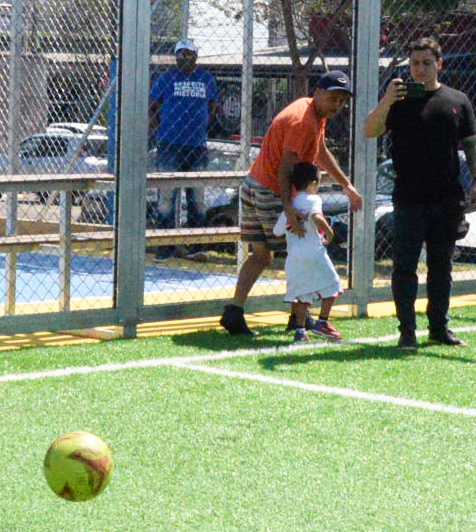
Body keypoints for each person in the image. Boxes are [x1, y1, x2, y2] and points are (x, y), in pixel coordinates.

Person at [363, 35, 476, 349]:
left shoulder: (457, 100)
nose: (419, 69)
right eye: (415, 64)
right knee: (404, 266)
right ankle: (407, 331)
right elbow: (369, 130)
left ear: (439, 65)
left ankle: (439, 328)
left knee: (441, 267)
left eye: (426, 63)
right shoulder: (397, 100)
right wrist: (388, 99)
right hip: (408, 198)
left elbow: (472, 141)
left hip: (447, 199)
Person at [223, 74, 356, 336]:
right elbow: (285, 169)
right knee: (301, 252)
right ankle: (299, 319)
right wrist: (288, 208)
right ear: (317, 92)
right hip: (271, 188)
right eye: (332, 97)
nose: (337, 104)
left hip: (254, 182)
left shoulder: (314, 114)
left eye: (341, 100)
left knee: (262, 255)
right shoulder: (303, 121)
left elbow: (320, 150)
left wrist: (346, 184)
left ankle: (234, 312)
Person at [148, 40, 217, 228]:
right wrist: (159, 126)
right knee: (166, 196)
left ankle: (195, 246)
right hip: (169, 144)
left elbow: (212, 106)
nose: (183, 57)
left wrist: (201, 124)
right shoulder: (167, 78)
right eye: (179, 54)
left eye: (187, 53)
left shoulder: (206, 78)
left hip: (197, 145)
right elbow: (151, 104)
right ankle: (165, 245)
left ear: (195, 57)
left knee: (197, 196)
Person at [282, 160, 343, 344]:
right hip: (315, 252)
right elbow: (317, 217)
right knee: (333, 285)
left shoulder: (291, 205)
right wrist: (329, 232)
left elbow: (277, 230)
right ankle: (322, 322)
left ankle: (300, 331)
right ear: (312, 184)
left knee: (301, 293)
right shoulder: (314, 199)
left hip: (294, 256)